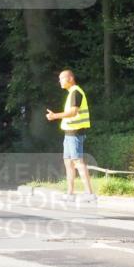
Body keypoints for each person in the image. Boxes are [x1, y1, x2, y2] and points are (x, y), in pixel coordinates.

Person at [46, 69, 94, 199]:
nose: (60, 81)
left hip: (75, 133)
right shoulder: (71, 93)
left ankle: (90, 194)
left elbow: (73, 112)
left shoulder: (76, 92)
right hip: (69, 134)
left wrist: (55, 115)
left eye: (62, 78)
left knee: (78, 162)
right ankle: (70, 193)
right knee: (68, 163)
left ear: (70, 78)